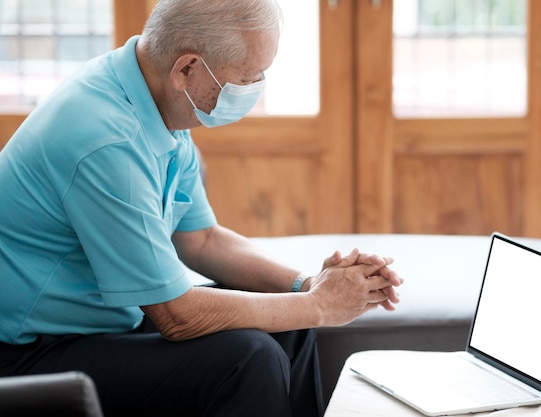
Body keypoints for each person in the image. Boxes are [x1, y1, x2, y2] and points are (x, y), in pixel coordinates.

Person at [0, 0, 403, 416]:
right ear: (186, 69)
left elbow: (201, 239)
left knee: (292, 326)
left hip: (98, 325)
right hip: (27, 356)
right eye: (247, 78)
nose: (257, 86)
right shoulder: (106, 139)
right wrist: (321, 305)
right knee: (248, 358)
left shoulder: (152, 98)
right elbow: (176, 314)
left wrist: (308, 285)